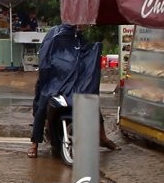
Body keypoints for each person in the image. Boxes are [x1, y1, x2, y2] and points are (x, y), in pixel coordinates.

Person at [28, 24, 119, 158]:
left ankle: (102, 137)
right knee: (42, 105)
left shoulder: (81, 38)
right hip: (55, 81)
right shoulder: (55, 36)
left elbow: (87, 57)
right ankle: (34, 144)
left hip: (76, 82)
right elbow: (46, 59)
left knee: (92, 103)